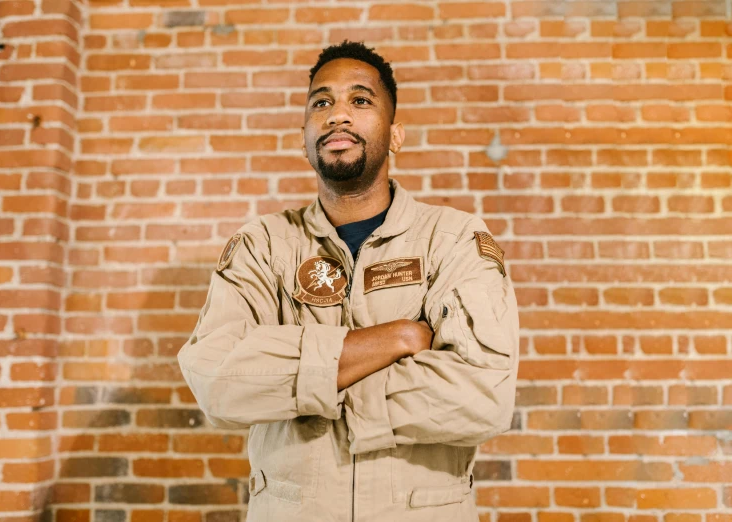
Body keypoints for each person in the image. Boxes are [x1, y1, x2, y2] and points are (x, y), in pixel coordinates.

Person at [178, 40, 519, 522]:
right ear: (304, 139)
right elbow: (217, 381)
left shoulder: (455, 239)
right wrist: (395, 338)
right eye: (322, 102)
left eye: (360, 100)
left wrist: (301, 384)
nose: (338, 115)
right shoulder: (264, 245)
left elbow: (483, 395)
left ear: (395, 135)